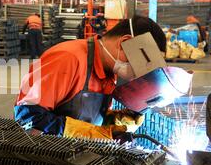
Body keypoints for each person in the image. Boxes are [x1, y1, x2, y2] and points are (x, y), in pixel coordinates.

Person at [14, 15, 168, 139]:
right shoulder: (67, 58)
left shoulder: (110, 73)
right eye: (142, 64)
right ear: (124, 43)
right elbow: (27, 116)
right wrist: (91, 134)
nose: (141, 73)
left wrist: (120, 122)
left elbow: (91, 120)